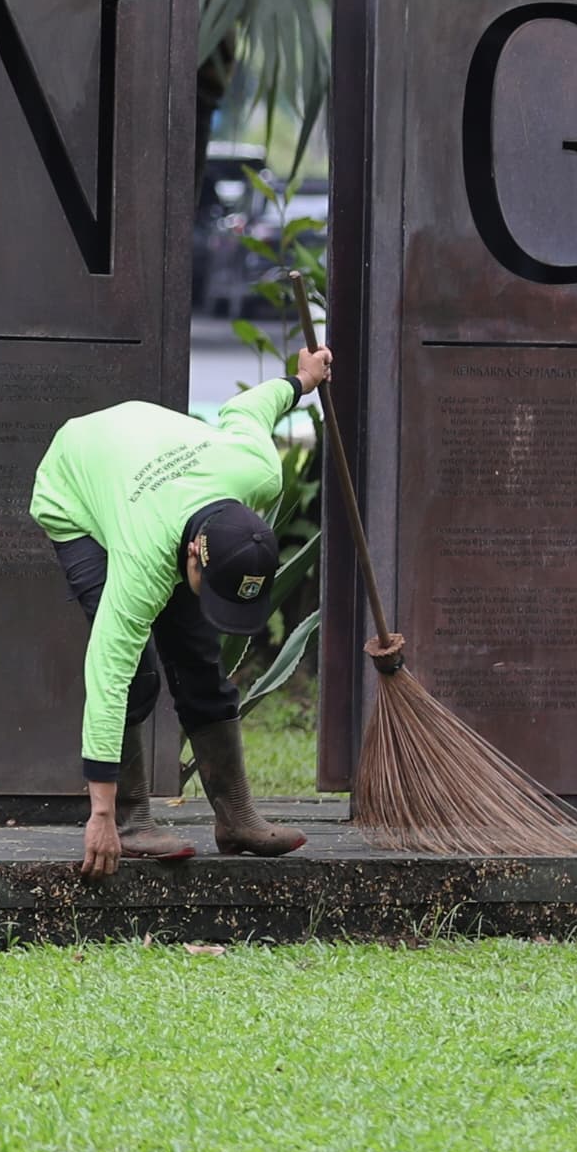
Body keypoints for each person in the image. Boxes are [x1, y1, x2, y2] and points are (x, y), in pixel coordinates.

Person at [26, 344, 336, 876]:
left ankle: (237, 818)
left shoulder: (259, 471)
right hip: (77, 479)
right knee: (137, 674)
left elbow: (247, 409)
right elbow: (107, 675)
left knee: (200, 658)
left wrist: (302, 380)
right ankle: (130, 820)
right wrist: (99, 815)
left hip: (149, 453)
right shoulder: (143, 560)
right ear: (196, 553)